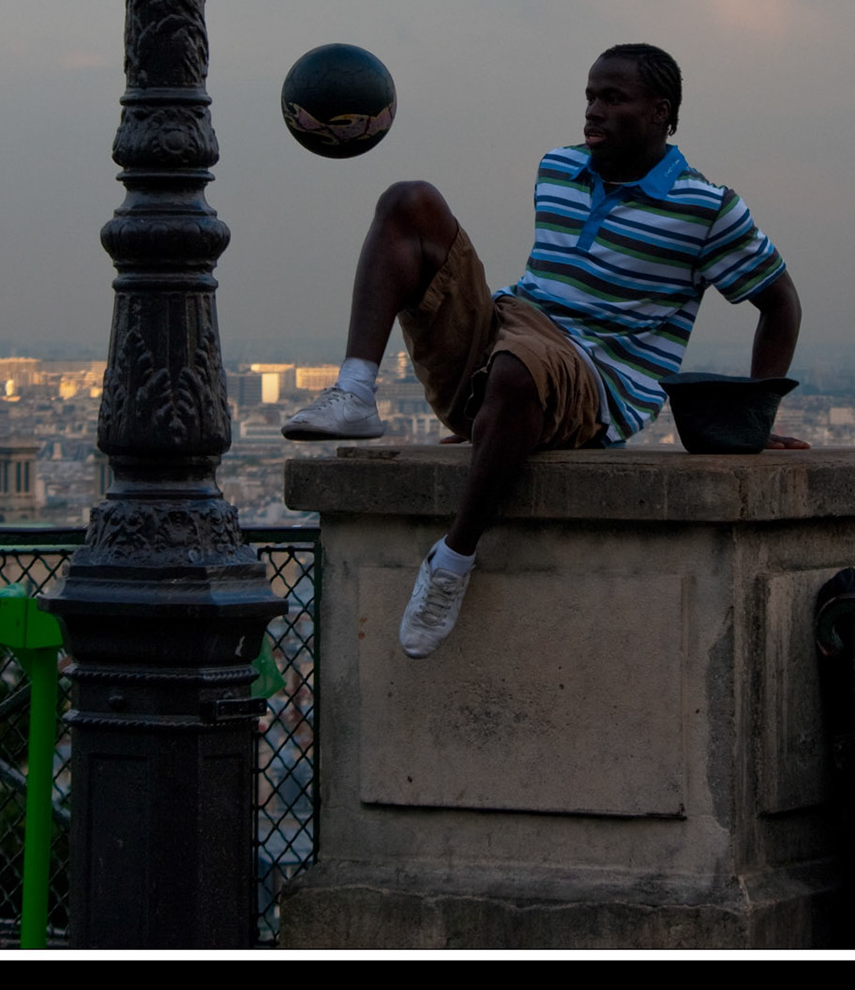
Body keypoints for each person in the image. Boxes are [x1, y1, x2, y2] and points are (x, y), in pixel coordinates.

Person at [282, 44, 806, 659]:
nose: (593, 111)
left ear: (661, 112)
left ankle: (453, 560)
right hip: (511, 331)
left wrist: (756, 413)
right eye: (589, 95)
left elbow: (781, 303)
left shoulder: (706, 208)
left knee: (518, 370)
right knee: (409, 201)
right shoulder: (557, 168)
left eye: (613, 98)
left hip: (597, 373)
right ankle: (355, 391)